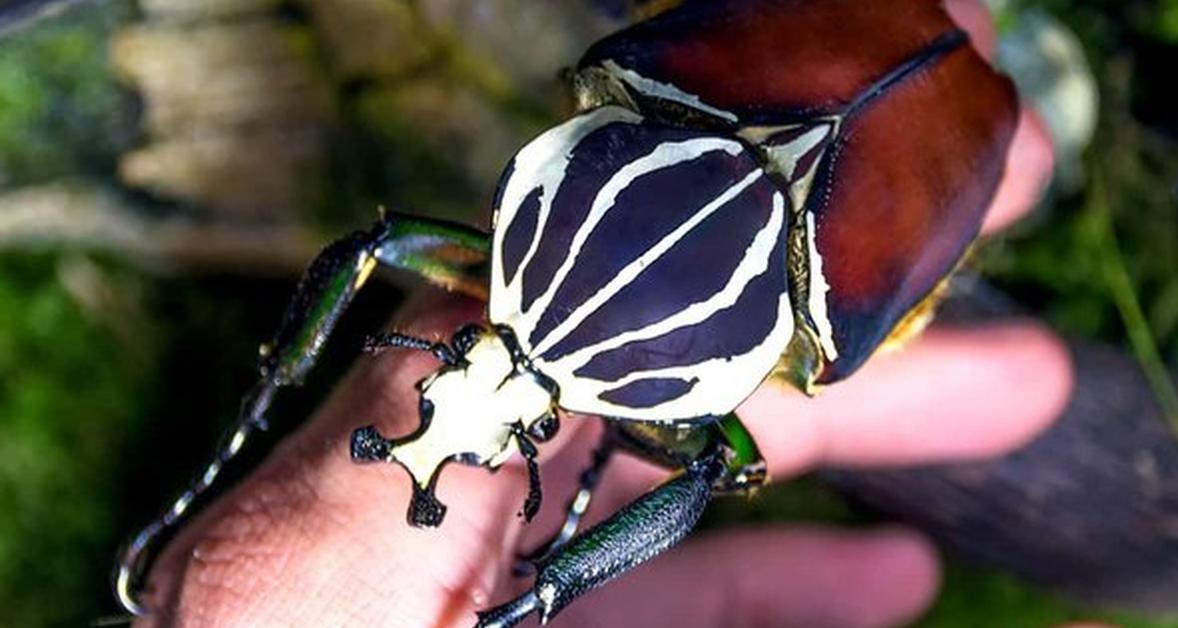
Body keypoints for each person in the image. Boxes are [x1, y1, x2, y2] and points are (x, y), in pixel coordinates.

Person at [132, 2, 1068, 625]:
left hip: (864, 91)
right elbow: (711, 464)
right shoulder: (801, 331)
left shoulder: (626, 95)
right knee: (717, 461)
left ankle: (277, 402)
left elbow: (369, 245)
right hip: (870, 126)